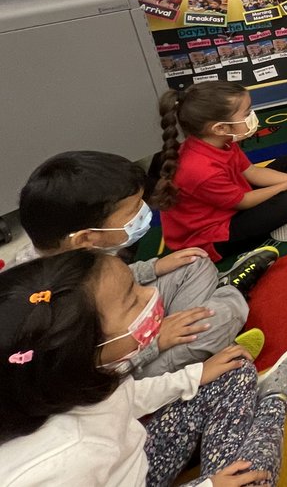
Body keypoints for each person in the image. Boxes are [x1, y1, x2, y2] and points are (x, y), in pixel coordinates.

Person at [0, 250, 287, 486]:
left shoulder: (85, 377)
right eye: (133, 301)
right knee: (249, 481)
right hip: (123, 473)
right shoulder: (69, 460)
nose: (152, 295)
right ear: (82, 350)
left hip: (134, 465)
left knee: (232, 368)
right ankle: (274, 399)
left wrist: (196, 375)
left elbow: (129, 395)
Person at [18, 151, 272, 378]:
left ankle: (206, 319)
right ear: (86, 237)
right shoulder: (48, 306)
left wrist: (154, 269)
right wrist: (156, 341)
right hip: (126, 369)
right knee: (222, 316)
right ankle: (225, 303)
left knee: (194, 263)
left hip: (136, 325)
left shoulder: (77, 247)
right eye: (133, 211)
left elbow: (118, 278)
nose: (144, 211)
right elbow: (91, 375)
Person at [155, 82, 287, 262]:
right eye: (247, 113)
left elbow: (252, 172)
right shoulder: (200, 169)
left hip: (231, 200)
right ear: (220, 128)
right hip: (212, 237)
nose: (252, 116)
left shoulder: (221, 141)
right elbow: (243, 202)